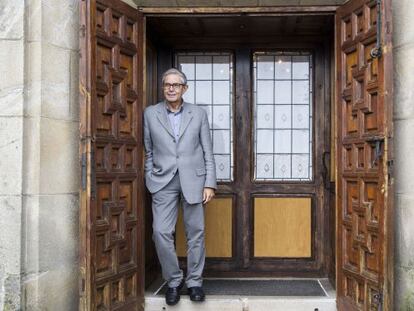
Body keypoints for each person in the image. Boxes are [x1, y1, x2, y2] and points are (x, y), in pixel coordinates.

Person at [143, 68, 217, 305]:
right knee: (160, 232)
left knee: (196, 233)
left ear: (185, 88)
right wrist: (149, 177)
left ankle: (195, 282)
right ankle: (174, 280)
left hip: (194, 181)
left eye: (176, 85)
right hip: (162, 181)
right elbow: (148, 150)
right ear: (163, 88)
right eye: (167, 85)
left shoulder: (198, 114)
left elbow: (207, 150)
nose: (171, 88)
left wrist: (210, 183)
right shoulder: (150, 113)